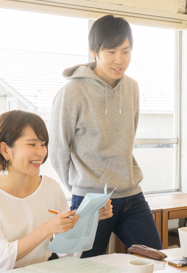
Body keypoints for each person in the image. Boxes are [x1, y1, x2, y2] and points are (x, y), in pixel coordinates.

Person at [49, 15, 162, 257]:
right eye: (111, 51)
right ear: (94, 52)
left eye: (126, 51)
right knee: (86, 271)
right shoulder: (72, 92)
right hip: (91, 199)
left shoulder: (132, 87)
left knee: (155, 260)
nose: (119, 60)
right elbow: (58, 150)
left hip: (131, 195)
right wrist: (81, 187)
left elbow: (128, 136)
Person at [0, 111, 112, 273]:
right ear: (5, 150)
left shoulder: (50, 187)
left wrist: (89, 219)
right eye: (32, 144)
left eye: (43, 144)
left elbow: (66, 253)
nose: (41, 152)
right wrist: (46, 229)